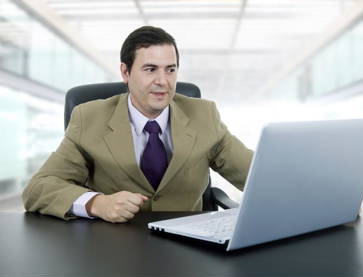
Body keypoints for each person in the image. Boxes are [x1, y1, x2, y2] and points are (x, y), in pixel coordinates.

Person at [22, 26, 253, 223]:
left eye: (170, 70)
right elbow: (38, 188)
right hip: (114, 244)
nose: (163, 81)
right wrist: (97, 203)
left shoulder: (204, 115)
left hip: (189, 242)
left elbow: (253, 174)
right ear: (125, 72)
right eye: (150, 69)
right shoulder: (88, 118)